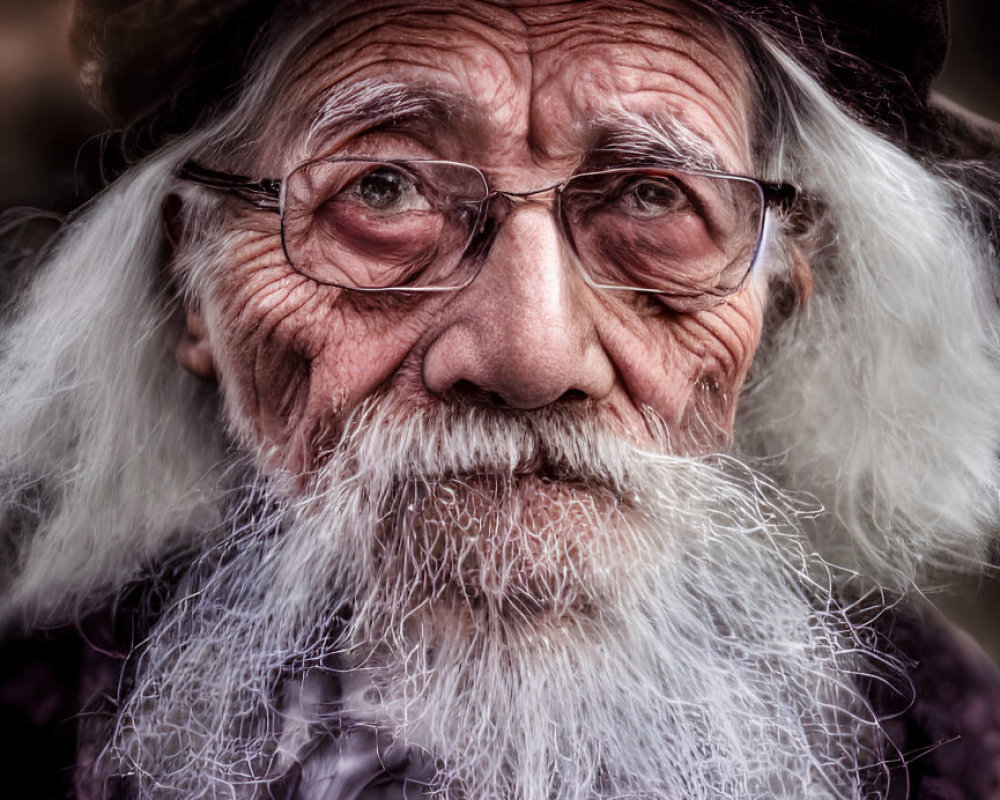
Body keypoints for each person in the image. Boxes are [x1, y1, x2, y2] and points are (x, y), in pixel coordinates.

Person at [1, 0, 999, 797]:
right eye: (383, 188)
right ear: (196, 280)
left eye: (654, 194)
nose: (532, 354)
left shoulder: (951, 747)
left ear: (781, 285)